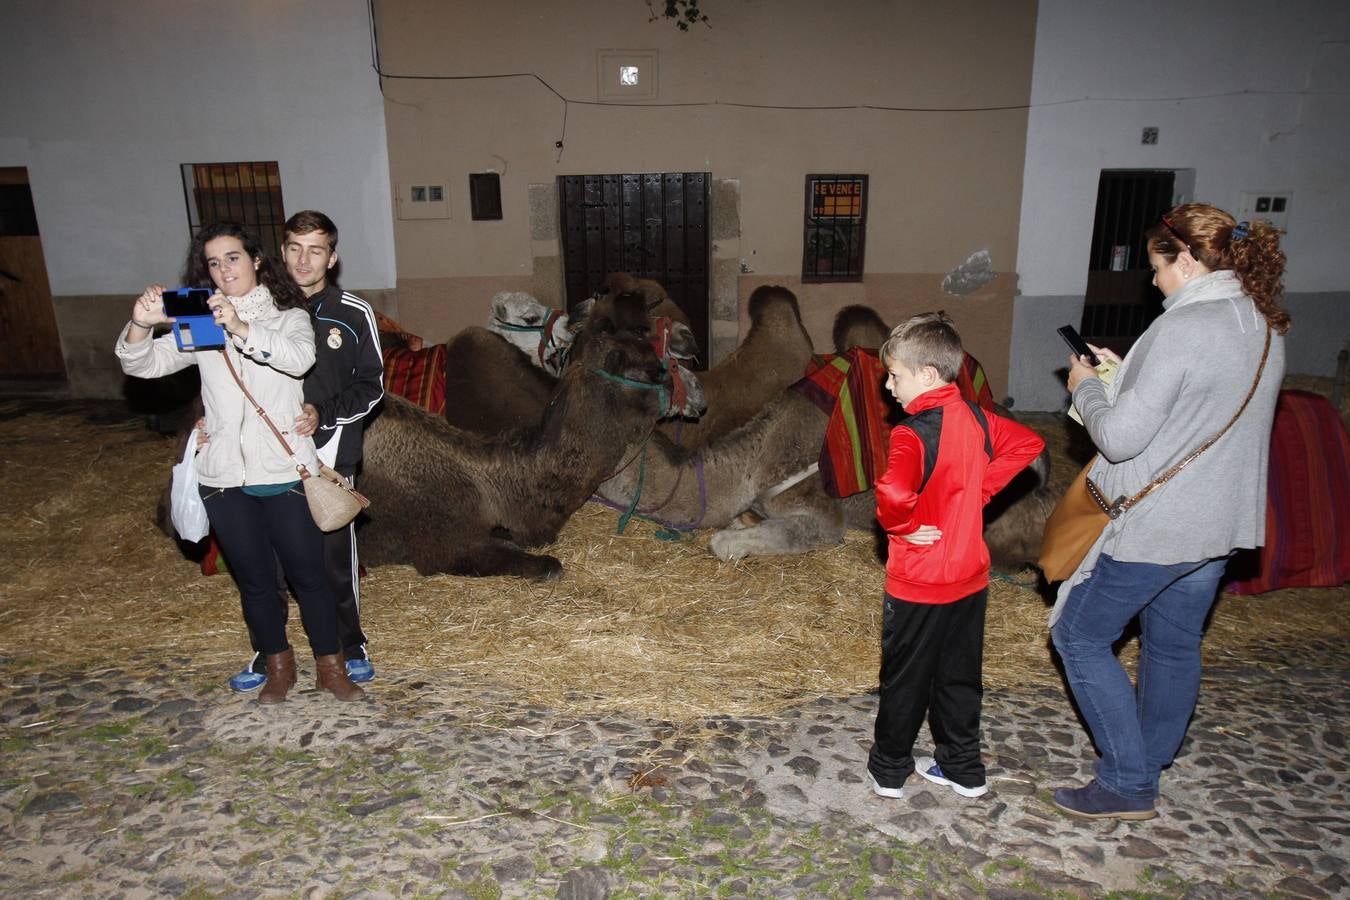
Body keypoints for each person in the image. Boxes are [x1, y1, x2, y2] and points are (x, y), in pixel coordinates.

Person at [1050, 203, 1288, 820]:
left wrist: (1087, 389)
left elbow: (1123, 439)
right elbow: (1198, 405)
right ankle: (1148, 757)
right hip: (1219, 524)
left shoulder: (1184, 326)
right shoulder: (1261, 321)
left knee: (1079, 636)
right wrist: (1126, 374)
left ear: (1183, 258)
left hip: (1162, 525)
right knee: (1173, 646)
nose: (1152, 280)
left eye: (1156, 267)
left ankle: (1128, 782)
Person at [116, 222, 365, 704]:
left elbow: (296, 360)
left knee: (308, 577)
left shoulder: (289, 315)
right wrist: (141, 323)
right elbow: (142, 364)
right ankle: (278, 667)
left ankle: (331, 668)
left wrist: (239, 324)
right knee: (252, 581)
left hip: (284, 472)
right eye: (213, 262)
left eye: (232, 257)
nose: (223, 269)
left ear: (255, 260)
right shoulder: (200, 322)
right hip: (224, 477)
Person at [867, 312, 1045, 800]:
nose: (888, 386)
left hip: (920, 580)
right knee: (959, 677)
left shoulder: (911, 433)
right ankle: (963, 768)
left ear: (927, 375)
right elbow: (1029, 443)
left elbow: (893, 491)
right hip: (969, 575)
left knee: (905, 677)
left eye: (895, 375)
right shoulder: (978, 416)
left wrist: (902, 526)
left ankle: (889, 770)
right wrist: (977, 491)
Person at [228, 210, 385, 692]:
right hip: (265, 456)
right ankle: (269, 651)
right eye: (295, 247)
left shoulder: (354, 313)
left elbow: (373, 385)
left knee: (333, 559)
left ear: (332, 257)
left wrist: (325, 413)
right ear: (281, 251)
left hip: (329, 456)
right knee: (264, 565)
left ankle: (350, 644)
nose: (303, 259)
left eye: (315, 249)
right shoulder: (254, 307)